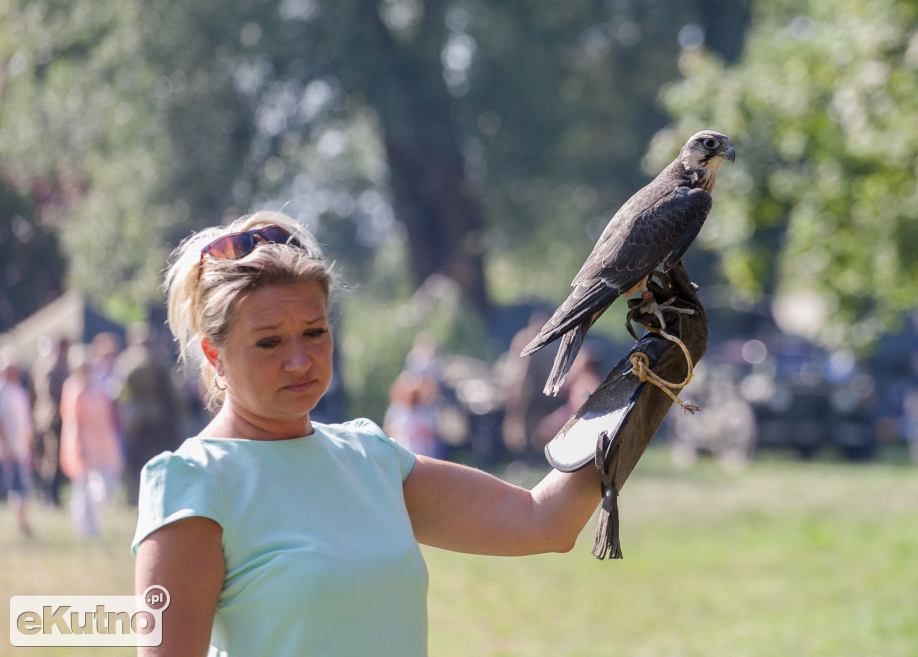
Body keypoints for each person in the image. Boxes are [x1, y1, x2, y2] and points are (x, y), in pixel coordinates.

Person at [132, 211, 602, 656]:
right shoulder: (192, 482)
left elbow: (544, 523)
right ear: (215, 357)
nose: (299, 359)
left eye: (314, 332)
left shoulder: (370, 456)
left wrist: (644, 380)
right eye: (269, 341)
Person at [60, 343, 125, 536]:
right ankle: (84, 526)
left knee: (107, 482)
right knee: (83, 484)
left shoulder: (98, 385)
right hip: (83, 440)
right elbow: (73, 419)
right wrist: (79, 445)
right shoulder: (73, 387)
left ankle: (91, 521)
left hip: (102, 438)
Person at [116, 322, 183, 505]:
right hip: (156, 419)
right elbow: (172, 395)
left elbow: (121, 395)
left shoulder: (126, 362)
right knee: (155, 460)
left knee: (137, 461)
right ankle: (153, 496)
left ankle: (135, 498)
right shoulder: (158, 362)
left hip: (136, 420)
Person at [31, 337, 71, 506]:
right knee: (51, 458)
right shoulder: (54, 365)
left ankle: (49, 495)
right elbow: (49, 390)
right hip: (52, 417)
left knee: (50, 457)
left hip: (46, 416)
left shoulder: (45, 363)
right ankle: (49, 495)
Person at [0, 352, 35, 537]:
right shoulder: (2, 392)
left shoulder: (19, 391)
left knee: (22, 486)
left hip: (20, 446)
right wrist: (5, 446)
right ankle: (21, 523)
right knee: (16, 487)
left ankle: (24, 521)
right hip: (9, 448)